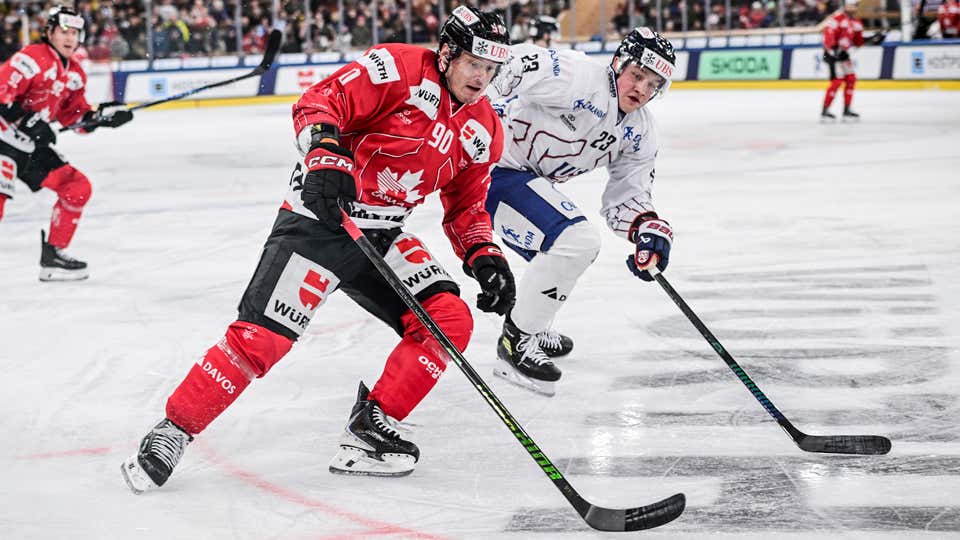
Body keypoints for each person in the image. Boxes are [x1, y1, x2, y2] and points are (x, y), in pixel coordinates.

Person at [121, 5, 515, 492]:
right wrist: (325, 151)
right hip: (320, 221)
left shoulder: (485, 129)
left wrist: (484, 254)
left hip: (383, 235)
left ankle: (370, 430)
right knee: (260, 341)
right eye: (474, 63)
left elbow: (467, 208)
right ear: (448, 52)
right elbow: (321, 100)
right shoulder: (398, 68)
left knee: (449, 319)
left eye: (491, 69)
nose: (482, 77)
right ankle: (173, 430)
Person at [483, 27, 676, 396]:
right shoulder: (579, 76)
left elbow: (628, 195)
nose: (641, 89)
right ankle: (516, 340)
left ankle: (533, 321)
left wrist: (646, 227)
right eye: (637, 75)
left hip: (524, 178)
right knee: (576, 241)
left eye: (653, 85)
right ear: (619, 63)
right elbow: (518, 61)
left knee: (562, 253)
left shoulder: (640, 131)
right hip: (490, 168)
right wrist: (480, 109)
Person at [0, 6, 133, 281]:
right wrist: (27, 120)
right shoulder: (31, 58)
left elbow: (74, 117)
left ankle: (53, 256)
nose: (70, 38)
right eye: (64, 31)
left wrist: (101, 118)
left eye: (74, 32)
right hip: (2, 138)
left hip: (28, 146)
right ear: (49, 32)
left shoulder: (74, 74)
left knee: (76, 187)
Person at [820, 0, 883, 122]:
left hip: (843, 55)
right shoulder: (836, 19)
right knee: (836, 82)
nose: (852, 8)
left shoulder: (856, 23)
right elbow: (828, 35)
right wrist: (834, 48)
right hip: (831, 55)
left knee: (851, 79)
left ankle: (847, 110)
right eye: (850, 5)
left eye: (854, 6)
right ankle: (825, 111)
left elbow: (858, 41)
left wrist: (873, 39)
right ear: (844, 6)